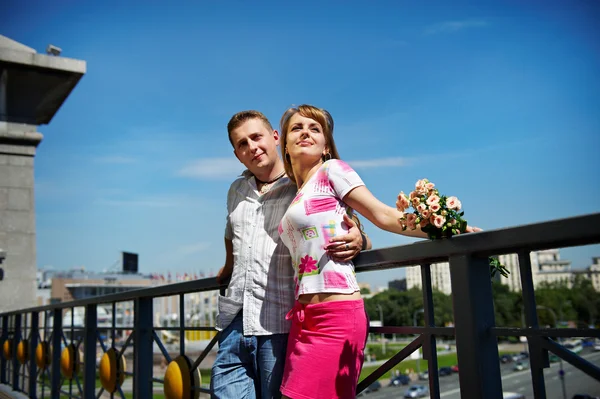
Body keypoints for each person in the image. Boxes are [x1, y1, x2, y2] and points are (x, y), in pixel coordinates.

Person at [277, 104, 480, 399]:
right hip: (303, 318)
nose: (305, 132)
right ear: (285, 144)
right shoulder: (298, 193)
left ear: (326, 147)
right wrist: (360, 238)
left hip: (335, 316)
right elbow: (339, 226)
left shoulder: (332, 170)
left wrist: (449, 228)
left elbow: (383, 216)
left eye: (315, 128)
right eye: (297, 128)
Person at [210, 110, 370, 399]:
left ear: (275, 138)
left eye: (257, 137)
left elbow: (337, 215)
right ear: (237, 154)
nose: (252, 147)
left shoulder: (301, 183)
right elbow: (229, 231)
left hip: (277, 323)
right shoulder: (236, 189)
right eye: (242, 144)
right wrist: (228, 265)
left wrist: (358, 235)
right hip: (234, 319)